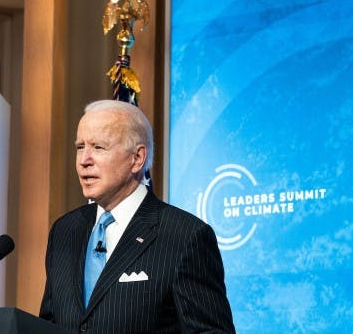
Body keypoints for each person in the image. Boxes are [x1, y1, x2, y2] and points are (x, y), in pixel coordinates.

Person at [39, 99, 235, 333]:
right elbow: (48, 324)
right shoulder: (64, 231)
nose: (84, 160)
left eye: (98, 147)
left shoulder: (184, 235)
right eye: (80, 147)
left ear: (137, 158)